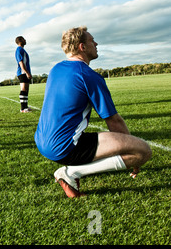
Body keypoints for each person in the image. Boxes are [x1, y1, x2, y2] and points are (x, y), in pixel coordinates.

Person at [34, 26, 151, 198]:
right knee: (143, 151)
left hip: (42, 142)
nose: (96, 43)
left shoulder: (56, 69)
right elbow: (114, 121)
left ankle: (71, 170)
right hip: (65, 147)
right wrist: (132, 149)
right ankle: (71, 173)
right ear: (82, 47)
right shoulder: (88, 76)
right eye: (92, 41)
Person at [15, 36, 32, 112]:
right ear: (20, 41)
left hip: (25, 72)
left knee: (26, 90)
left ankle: (25, 107)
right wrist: (27, 73)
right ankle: (22, 108)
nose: (25, 40)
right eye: (24, 39)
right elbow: (21, 63)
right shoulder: (19, 50)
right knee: (23, 89)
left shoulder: (22, 50)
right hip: (22, 72)